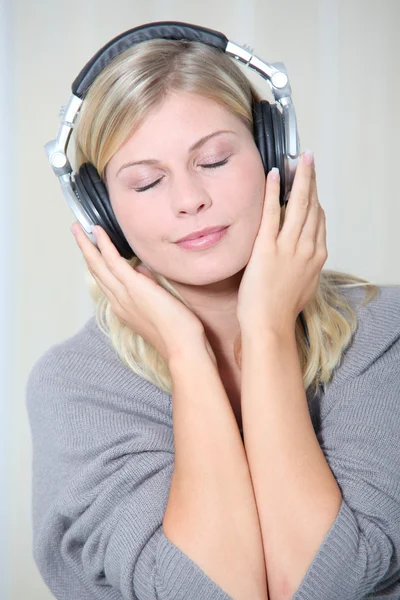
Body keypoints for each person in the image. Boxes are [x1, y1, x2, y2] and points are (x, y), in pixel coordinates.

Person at [26, 33, 400, 600]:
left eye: (214, 160)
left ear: (275, 154)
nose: (189, 199)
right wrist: (187, 351)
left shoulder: (383, 332)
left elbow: (327, 583)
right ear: (101, 211)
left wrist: (268, 333)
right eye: (148, 181)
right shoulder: (76, 386)